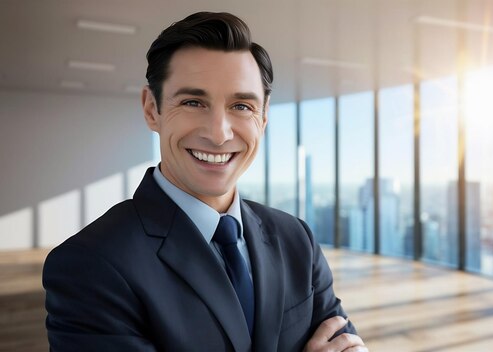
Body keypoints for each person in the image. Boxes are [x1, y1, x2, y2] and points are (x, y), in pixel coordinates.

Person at [42, 11, 368, 352]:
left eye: (241, 105)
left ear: (264, 117)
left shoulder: (296, 238)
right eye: (193, 102)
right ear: (151, 109)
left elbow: (345, 343)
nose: (218, 133)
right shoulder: (90, 264)